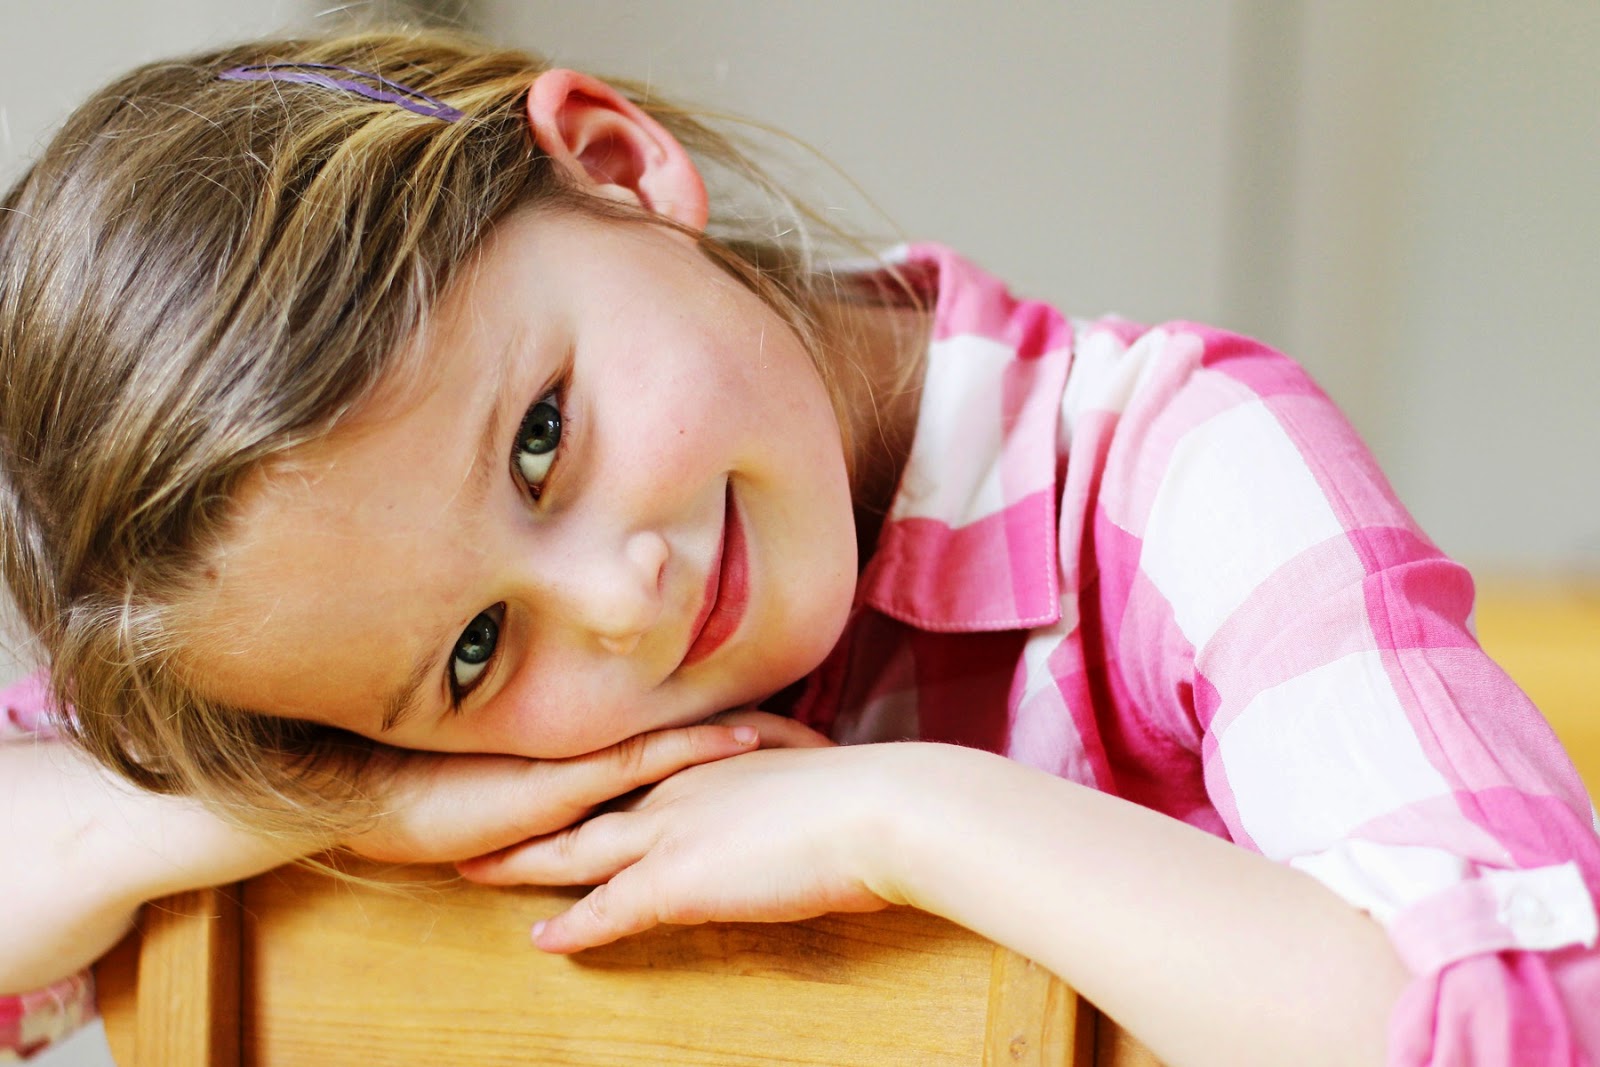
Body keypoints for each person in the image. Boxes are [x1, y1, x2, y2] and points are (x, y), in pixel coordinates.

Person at [1, 26, 1594, 1067]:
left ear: (619, 169)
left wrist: (911, 819)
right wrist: (323, 795)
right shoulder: (323, 656)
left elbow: (1530, 1033)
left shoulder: (1180, 467)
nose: (623, 607)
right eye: (478, 649)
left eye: (544, 439)